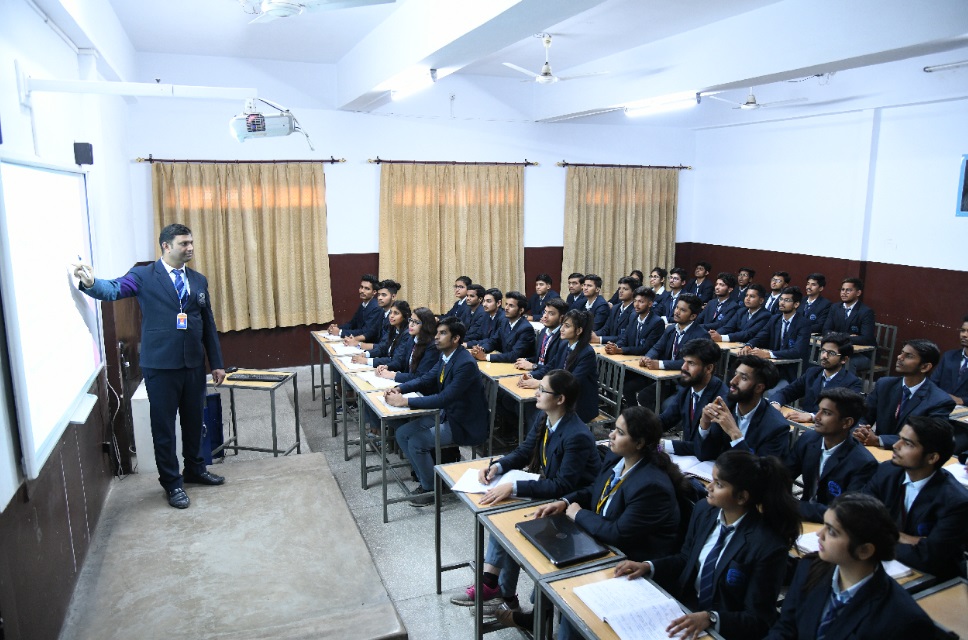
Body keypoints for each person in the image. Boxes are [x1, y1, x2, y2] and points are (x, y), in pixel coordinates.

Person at [74, 223, 226, 509]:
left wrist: (216, 363)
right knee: (164, 428)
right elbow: (114, 289)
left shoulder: (198, 280)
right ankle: (171, 483)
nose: (190, 248)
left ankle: (195, 469)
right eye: (184, 243)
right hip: (161, 367)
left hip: (193, 364)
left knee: (194, 421)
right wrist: (93, 284)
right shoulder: (144, 276)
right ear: (166, 246)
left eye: (191, 242)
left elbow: (208, 324)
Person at [521, 407, 695, 636]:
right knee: (545, 559)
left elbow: (617, 533)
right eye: (614, 429)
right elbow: (597, 488)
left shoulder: (651, 486)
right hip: (603, 543)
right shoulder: (617, 457)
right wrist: (565, 502)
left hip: (630, 562)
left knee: (574, 610)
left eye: (620, 432)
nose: (611, 435)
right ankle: (538, 616)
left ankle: (561, 625)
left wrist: (578, 514)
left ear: (640, 443)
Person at [450, 370, 601, 612]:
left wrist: (514, 485)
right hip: (552, 490)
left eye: (543, 390)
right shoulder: (546, 419)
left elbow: (563, 485)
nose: (536, 392)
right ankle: (499, 590)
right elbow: (523, 452)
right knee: (501, 517)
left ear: (560, 399)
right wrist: (496, 467)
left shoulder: (577, 435)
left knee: (508, 521)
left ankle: (496, 587)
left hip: (572, 503)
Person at [614, 450, 800, 640]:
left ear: (742, 497)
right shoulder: (704, 511)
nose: (709, 487)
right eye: (712, 480)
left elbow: (758, 618)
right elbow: (685, 559)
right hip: (686, 608)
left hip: (725, 627)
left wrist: (712, 618)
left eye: (718, 484)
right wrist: (648, 566)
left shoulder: (767, 545)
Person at [765, 493, 934, 640]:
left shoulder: (902, 619)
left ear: (864, 550)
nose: (819, 534)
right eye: (824, 525)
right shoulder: (809, 568)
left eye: (832, 532)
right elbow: (786, 628)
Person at [385, 317, 488, 506]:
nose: (436, 337)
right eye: (437, 333)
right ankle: (428, 476)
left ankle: (431, 489)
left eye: (443, 334)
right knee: (402, 433)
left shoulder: (464, 363)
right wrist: (401, 388)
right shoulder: (446, 356)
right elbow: (426, 378)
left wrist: (405, 401)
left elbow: (444, 398)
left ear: (456, 338)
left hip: (462, 422)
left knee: (416, 441)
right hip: (446, 414)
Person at [862, 416, 968, 579]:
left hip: (933, 578)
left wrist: (876, 536)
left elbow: (930, 556)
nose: (896, 446)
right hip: (888, 562)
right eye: (899, 439)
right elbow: (857, 513)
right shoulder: (887, 471)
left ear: (932, 457)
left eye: (908, 444)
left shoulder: (956, 501)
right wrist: (908, 539)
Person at [783, 388, 877, 523]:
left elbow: (846, 511)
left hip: (835, 525)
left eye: (826, 413)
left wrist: (792, 506)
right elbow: (784, 474)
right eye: (819, 410)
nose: (817, 416)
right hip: (803, 517)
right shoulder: (809, 440)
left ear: (847, 423)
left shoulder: (863, 463)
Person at [853, 339, 954, 449]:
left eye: (909, 356)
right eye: (901, 352)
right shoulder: (884, 385)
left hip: (910, 456)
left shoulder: (939, 400)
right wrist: (861, 431)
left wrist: (880, 440)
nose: (899, 357)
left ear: (925, 367)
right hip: (876, 450)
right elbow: (863, 416)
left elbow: (929, 437)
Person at [697, 355, 790, 461]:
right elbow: (704, 455)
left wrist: (735, 434)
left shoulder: (776, 427)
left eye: (743, 378)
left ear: (759, 388)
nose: (733, 381)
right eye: (736, 374)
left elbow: (763, 472)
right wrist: (704, 425)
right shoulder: (725, 406)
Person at [518, 310, 599, 423]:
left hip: (579, 403)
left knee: (537, 412)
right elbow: (550, 367)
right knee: (530, 406)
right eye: (562, 325)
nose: (561, 329)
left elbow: (572, 382)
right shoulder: (564, 344)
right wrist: (530, 375)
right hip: (560, 396)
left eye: (567, 326)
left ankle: (544, 439)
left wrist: (540, 383)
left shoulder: (587, 353)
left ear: (579, 330)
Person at [633, 294, 710, 410]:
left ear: (693, 316)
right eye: (677, 308)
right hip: (668, 381)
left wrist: (659, 364)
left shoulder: (701, 335)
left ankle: (664, 423)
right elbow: (656, 348)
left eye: (682, 310)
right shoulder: (670, 329)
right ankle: (655, 423)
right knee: (644, 396)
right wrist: (648, 357)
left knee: (666, 405)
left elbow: (689, 363)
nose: (677, 312)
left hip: (687, 383)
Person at [771, 333, 863, 422]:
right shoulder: (812, 373)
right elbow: (786, 392)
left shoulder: (852, 382)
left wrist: (813, 416)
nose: (824, 356)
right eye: (823, 351)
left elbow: (844, 413)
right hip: (804, 427)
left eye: (831, 353)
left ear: (844, 359)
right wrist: (776, 403)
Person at [659, 339, 728, 456]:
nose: (684, 368)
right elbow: (665, 420)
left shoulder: (721, 399)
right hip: (690, 458)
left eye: (691, 363)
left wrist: (662, 446)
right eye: (684, 362)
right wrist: (639, 429)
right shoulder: (687, 387)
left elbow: (710, 448)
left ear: (709, 368)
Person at [741, 286, 812, 387]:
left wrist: (769, 354)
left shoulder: (804, 323)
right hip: (773, 367)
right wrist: (749, 345)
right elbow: (761, 336)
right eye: (781, 299)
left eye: (787, 300)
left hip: (791, 370)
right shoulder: (775, 319)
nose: (782, 303)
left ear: (796, 304)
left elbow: (797, 351)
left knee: (766, 390)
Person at [821, 278, 876, 372]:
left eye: (848, 290)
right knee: (818, 355)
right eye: (842, 290)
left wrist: (837, 336)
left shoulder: (866, 312)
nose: (844, 293)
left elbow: (866, 338)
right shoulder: (835, 307)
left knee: (847, 362)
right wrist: (847, 337)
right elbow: (826, 330)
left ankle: (845, 386)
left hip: (862, 355)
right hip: (838, 351)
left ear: (858, 293)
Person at [375, 307, 439, 383]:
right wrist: (387, 366)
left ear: (426, 325)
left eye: (416, 322)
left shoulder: (432, 346)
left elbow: (420, 376)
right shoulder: (412, 339)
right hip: (408, 384)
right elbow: (401, 362)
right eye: (411, 320)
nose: (411, 325)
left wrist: (392, 375)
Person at [470, 291, 536, 363]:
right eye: (506, 304)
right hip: (505, 363)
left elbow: (514, 355)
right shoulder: (505, 322)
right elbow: (493, 341)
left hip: (519, 367)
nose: (506, 308)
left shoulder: (526, 328)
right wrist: (481, 350)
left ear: (521, 310)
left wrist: (485, 357)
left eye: (511, 306)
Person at [604, 286, 664, 358]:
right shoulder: (633, 316)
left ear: (650, 304)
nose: (636, 305)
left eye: (641, 302)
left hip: (645, 360)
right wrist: (614, 346)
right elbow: (625, 338)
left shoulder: (657, 322)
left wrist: (620, 350)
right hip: (629, 358)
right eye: (635, 301)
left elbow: (645, 348)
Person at [516, 298, 568, 376]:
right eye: (545, 312)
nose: (545, 316)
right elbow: (539, 358)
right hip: (537, 372)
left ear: (561, 318)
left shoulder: (563, 338)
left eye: (551, 314)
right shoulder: (544, 331)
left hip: (550, 377)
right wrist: (526, 360)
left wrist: (533, 366)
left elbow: (555, 368)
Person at [344, 279, 400, 351]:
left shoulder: (395, 318)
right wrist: (354, 339)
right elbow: (372, 332)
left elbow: (384, 346)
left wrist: (358, 344)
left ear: (393, 297)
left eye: (384, 295)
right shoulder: (382, 312)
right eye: (379, 295)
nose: (379, 298)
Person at [327, 273, 382, 343]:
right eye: (361, 287)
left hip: (368, 345)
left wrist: (340, 332)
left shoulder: (376, 308)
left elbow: (365, 332)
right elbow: (352, 324)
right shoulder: (363, 305)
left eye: (367, 289)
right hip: (357, 342)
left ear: (374, 292)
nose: (362, 291)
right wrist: (336, 328)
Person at [931, 313, 968, 407]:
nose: (964, 335)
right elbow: (932, 382)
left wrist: (962, 400)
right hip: (940, 408)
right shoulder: (949, 356)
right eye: (963, 330)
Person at [592, 276, 638, 344]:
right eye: (619, 288)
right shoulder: (615, 308)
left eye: (625, 289)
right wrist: (592, 335)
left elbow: (624, 337)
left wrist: (599, 339)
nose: (621, 291)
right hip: (609, 346)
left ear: (633, 292)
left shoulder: (635, 311)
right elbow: (605, 329)